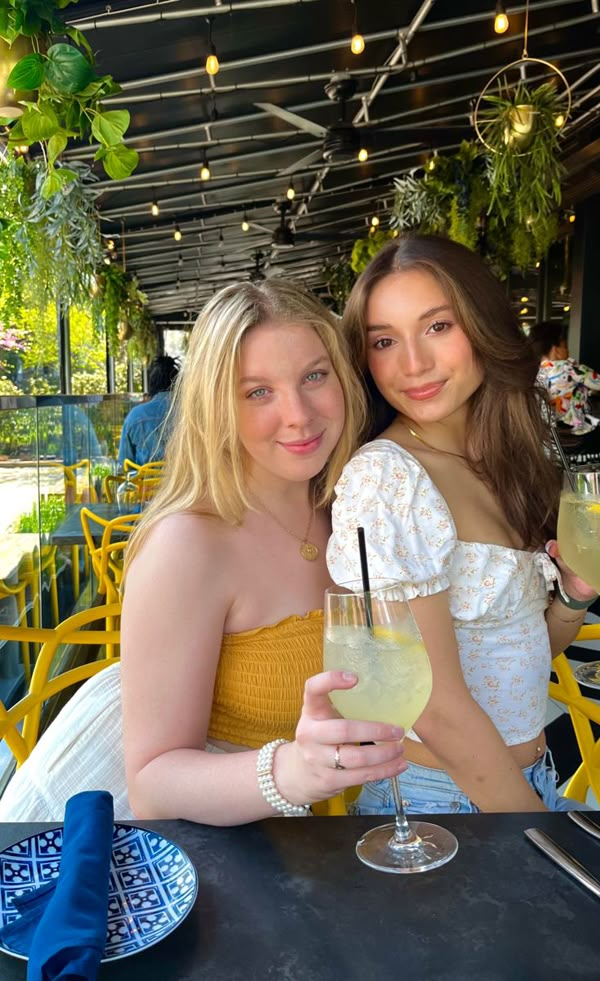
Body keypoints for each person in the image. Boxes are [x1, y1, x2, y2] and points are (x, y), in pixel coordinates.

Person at [0, 281, 406, 824]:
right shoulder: (188, 544)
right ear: (217, 406)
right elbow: (153, 785)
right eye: (257, 391)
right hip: (175, 861)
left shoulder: (353, 510)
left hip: (318, 840)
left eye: (314, 376)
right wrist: (293, 771)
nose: (299, 414)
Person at [327, 235, 600, 814]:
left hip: (528, 783)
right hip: (446, 805)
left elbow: (527, 648)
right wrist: (537, 838)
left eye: (437, 327)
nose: (414, 364)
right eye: (384, 341)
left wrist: (574, 598)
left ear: (483, 326)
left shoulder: (502, 457)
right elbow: (431, 704)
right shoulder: (388, 480)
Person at [530, 320, 600, 437]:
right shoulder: (567, 367)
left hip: (555, 440)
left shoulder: (538, 374)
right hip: (577, 436)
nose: (568, 351)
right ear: (556, 350)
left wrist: (586, 391)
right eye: (565, 346)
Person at [117, 354, 180, 468]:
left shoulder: (135, 416)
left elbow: (124, 463)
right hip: (184, 484)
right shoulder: (191, 415)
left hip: (146, 484)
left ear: (151, 386)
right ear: (178, 385)